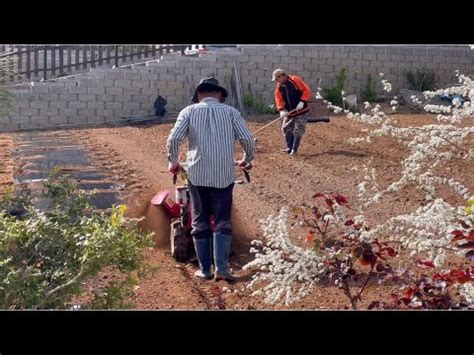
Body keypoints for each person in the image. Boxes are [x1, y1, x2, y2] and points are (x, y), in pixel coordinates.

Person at [166, 77, 255, 282]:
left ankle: (205, 270)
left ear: (198, 95)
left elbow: (174, 139)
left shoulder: (188, 111)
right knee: (223, 220)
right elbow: (248, 139)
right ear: (220, 95)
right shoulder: (232, 113)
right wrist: (247, 159)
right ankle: (222, 269)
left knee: (199, 221)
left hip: (196, 175)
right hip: (224, 176)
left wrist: (172, 161)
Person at [272, 68, 312, 156]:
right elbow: (278, 98)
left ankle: (294, 150)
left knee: (298, 129)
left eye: (277, 79)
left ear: (282, 76)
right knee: (286, 128)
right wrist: (281, 110)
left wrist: (302, 101)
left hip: (302, 111)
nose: (277, 81)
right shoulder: (279, 86)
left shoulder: (294, 80)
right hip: (290, 112)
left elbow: (307, 90)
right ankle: (289, 148)